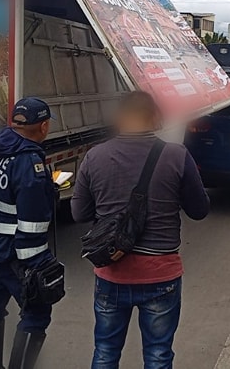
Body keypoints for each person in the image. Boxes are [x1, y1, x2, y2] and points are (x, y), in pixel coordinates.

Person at [71, 91, 210, 368]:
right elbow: (199, 210)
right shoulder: (176, 155)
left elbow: (79, 213)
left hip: (112, 271)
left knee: (105, 352)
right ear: (155, 117)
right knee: (158, 354)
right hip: (161, 273)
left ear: (119, 118)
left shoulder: (95, 156)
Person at [0, 97, 59, 369]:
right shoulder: (29, 165)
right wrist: (38, 267)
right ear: (43, 127)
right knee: (37, 313)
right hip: (12, 252)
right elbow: (32, 226)